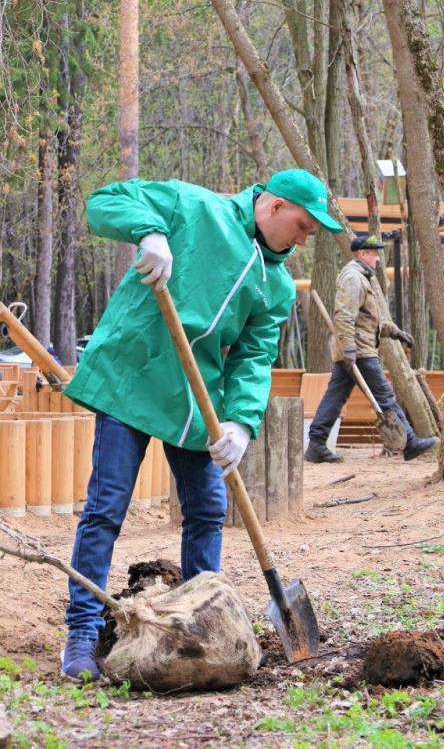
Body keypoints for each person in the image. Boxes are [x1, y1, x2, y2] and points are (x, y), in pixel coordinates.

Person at [60, 169, 342, 679]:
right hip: (134, 375)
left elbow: (254, 358)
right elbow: (105, 200)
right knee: (107, 506)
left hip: (195, 397)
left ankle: (201, 623)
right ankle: (80, 636)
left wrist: (240, 424)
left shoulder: (275, 284)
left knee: (209, 507)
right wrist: (148, 232)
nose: (302, 240)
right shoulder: (195, 207)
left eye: (310, 234)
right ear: (274, 206)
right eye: (301, 226)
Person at [305, 234, 438, 463]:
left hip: (355, 349)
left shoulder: (362, 278)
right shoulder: (353, 278)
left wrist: (394, 332)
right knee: (385, 396)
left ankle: (316, 443)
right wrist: (349, 349)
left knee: (335, 397)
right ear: (363, 254)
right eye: (374, 253)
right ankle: (411, 443)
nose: (377, 258)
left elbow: (369, 319)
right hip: (359, 351)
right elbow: (345, 316)